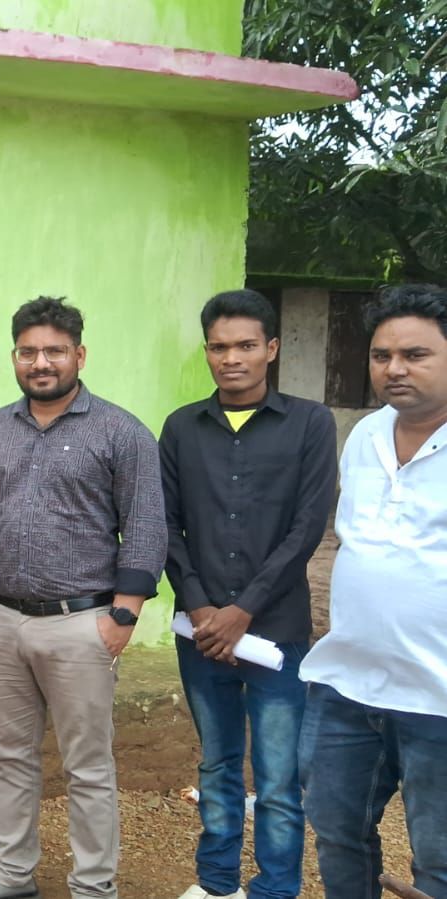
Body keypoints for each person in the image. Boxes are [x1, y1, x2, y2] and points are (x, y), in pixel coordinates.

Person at [0, 297, 166, 899]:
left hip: (82, 624)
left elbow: (146, 526)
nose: (40, 363)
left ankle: (93, 886)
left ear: (79, 355)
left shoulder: (121, 432)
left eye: (54, 351)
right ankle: (11, 874)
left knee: (87, 767)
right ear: (15, 356)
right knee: (9, 756)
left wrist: (123, 615)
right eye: (28, 352)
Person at [160, 290, 337, 899]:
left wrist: (243, 610)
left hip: (277, 630)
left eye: (245, 345)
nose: (230, 358)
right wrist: (200, 605)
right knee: (216, 764)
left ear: (272, 348)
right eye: (218, 346)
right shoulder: (182, 427)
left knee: (279, 778)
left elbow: (307, 528)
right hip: (200, 633)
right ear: (207, 351)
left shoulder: (311, 424)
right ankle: (216, 885)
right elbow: (166, 524)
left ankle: (275, 889)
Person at [298, 284, 447, 899]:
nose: (394, 369)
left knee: (439, 858)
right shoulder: (364, 434)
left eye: (415, 355)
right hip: (348, 683)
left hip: (438, 694)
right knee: (336, 831)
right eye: (382, 355)